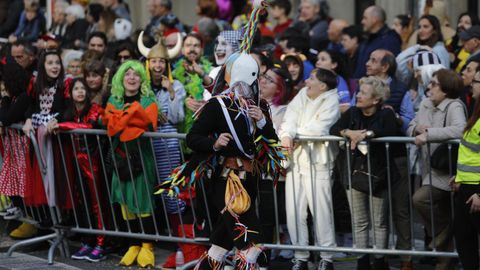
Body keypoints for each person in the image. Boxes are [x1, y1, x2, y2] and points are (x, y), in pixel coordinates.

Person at [330, 76, 400, 270]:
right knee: (359, 221)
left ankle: (379, 261)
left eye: (363, 93)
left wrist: (366, 134)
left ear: (376, 99)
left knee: (379, 222)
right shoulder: (352, 112)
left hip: (378, 174)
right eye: (358, 92)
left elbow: (388, 129)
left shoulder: (385, 113)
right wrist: (348, 133)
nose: (358, 96)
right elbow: (334, 128)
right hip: (353, 173)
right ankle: (362, 262)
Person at [280, 68, 340, 270]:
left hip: (319, 163)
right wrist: (287, 135)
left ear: (322, 85)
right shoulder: (302, 95)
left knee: (321, 212)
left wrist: (294, 135)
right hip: (295, 160)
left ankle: (327, 257)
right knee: (294, 211)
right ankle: (301, 256)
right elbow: (289, 119)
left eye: (311, 78)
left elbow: (319, 128)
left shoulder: (332, 100)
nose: (306, 81)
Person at [101, 60, 158, 268]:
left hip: (141, 159)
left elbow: (148, 124)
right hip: (120, 159)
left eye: (136, 74)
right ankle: (134, 244)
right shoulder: (113, 101)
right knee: (125, 204)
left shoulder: (148, 101)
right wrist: (126, 118)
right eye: (127, 74)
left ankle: (147, 245)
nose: (131, 78)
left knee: (142, 203)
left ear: (142, 79)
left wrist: (124, 118)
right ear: (120, 78)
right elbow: (108, 123)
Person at [408, 69, 467, 270]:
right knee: (436, 208)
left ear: (446, 88)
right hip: (428, 168)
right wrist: (416, 129)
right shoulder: (425, 103)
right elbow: (411, 125)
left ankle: (443, 239)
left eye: (434, 84)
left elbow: (460, 129)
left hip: (447, 170)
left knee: (420, 199)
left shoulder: (454, 105)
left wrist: (429, 133)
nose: (429, 87)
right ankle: (445, 254)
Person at [49, 78, 106, 262]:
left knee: (97, 203)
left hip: (94, 163)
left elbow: (88, 126)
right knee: (83, 203)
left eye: (83, 88)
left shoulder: (95, 109)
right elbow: (58, 118)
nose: (80, 92)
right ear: (70, 93)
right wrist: (55, 121)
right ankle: (88, 242)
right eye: (76, 89)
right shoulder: (69, 112)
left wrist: (63, 126)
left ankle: (101, 243)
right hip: (76, 163)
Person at [257, 64, 292, 268]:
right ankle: (264, 253)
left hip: (278, 172)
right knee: (265, 214)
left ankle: (286, 246)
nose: (262, 81)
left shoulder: (286, 110)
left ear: (279, 88)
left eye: (269, 80)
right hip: (259, 171)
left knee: (281, 212)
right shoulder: (253, 105)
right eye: (263, 77)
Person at [453, 66, 480, 270]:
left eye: (477, 82)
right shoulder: (475, 111)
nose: (472, 84)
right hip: (466, 187)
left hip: (476, 191)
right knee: (464, 239)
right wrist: (459, 176)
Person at [173, 33, 212, 137]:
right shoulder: (173, 74)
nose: (192, 49)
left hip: (206, 130)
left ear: (202, 50)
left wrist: (207, 105)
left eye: (196, 46)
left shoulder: (211, 72)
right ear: (182, 49)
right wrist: (183, 100)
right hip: (182, 130)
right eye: (188, 45)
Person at [354, 5, 401, 79]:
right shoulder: (367, 39)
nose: (362, 21)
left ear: (374, 19)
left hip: (377, 87)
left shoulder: (390, 40)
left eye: (365, 18)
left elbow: (389, 70)